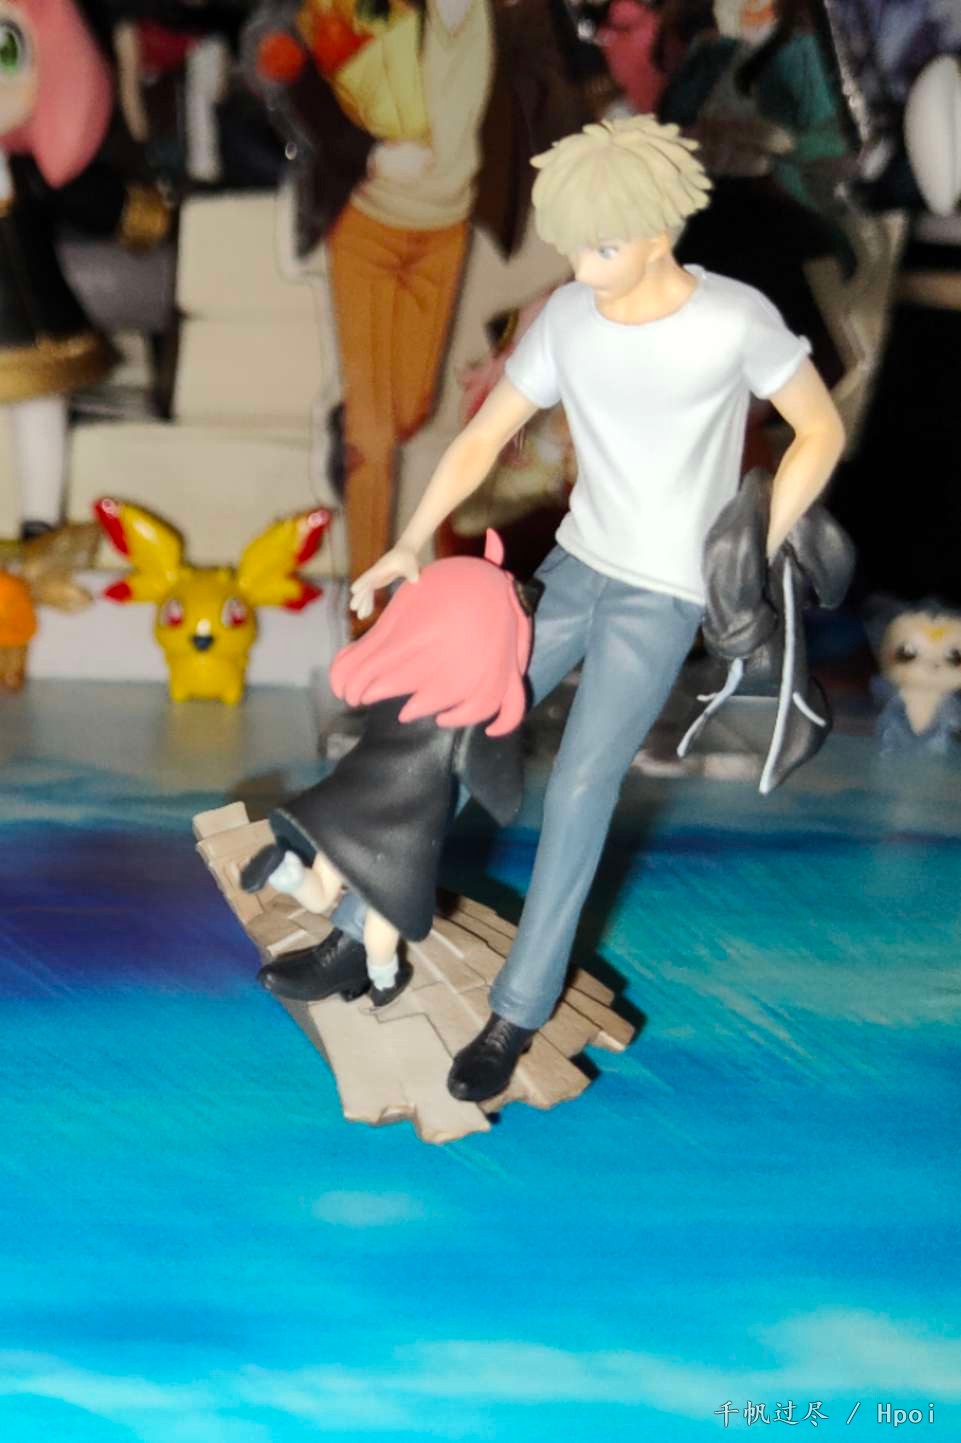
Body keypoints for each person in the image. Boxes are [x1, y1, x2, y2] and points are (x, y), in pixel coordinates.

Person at [272, 115, 846, 1103]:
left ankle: (517, 1011)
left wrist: (751, 548)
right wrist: (411, 539)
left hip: (663, 596)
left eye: (601, 246)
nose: (581, 266)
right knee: (446, 723)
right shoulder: (571, 317)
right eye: (571, 245)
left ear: (657, 232)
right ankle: (357, 930)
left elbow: (819, 431)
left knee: (581, 786)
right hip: (575, 568)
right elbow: (482, 437)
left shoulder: (732, 319)